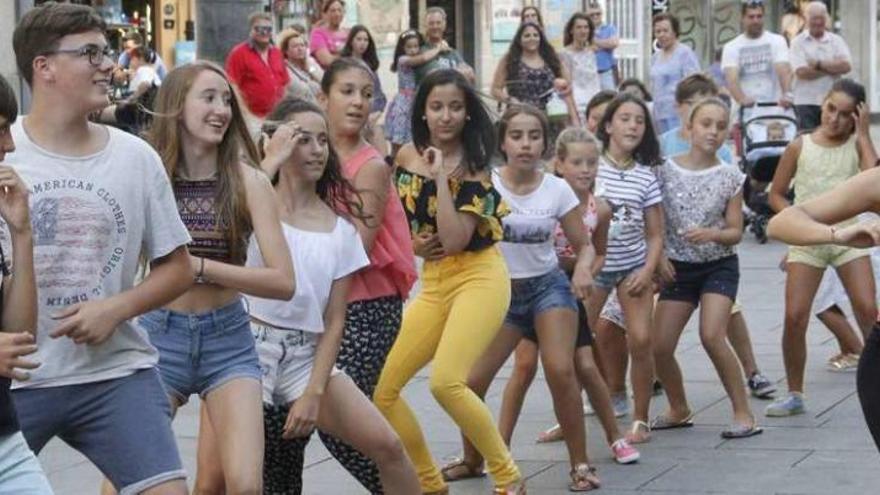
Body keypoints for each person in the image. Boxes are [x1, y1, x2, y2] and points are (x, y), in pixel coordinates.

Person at [9, 3, 194, 493]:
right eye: (90, 53)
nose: (108, 65)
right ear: (43, 67)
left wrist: (117, 307)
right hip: (17, 383)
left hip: (114, 374)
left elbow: (177, 268)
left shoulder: (135, 157)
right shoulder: (6, 150)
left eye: (106, 51)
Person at [249, 58, 419, 494]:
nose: (317, 149)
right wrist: (269, 161)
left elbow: (335, 318)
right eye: (302, 140)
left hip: (308, 354)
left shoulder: (340, 229)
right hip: (248, 355)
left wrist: (315, 391)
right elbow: (235, 215)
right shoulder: (251, 206)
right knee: (266, 478)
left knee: (389, 447)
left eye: (322, 141)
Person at [126, 61, 295, 495]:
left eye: (226, 100)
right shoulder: (149, 175)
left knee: (244, 485)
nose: (221, 109)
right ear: (178, 106)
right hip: (159, 336)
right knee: (127, 479)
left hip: (229, 339)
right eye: (209, 97)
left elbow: (282, 280)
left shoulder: (247, 181)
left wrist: (197, 267)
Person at [374, 69, 524, 495]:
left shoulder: (475, 169)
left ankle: (508, 478)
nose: (445, 116)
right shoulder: (404, 155)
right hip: (435, 283)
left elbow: (457, 240)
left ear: (467, 112)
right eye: (437, 107)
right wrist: (414, 247)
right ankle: (428, 484)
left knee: (446, 382)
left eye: (455, 107)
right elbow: (394, 218)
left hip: (480, 277)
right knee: (381, 388)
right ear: (422, 110)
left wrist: (441, 176)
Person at [447, 106, 601, 492]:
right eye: (517, 135)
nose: (526, 144)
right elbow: (463, 237)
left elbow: (585, 246)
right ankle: (472, 459)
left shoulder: (557, 188)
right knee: (471, 381)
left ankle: (580, 464)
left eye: (534, 136)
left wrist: (583, 269)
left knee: (559, 369)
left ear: (544, 143)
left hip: (549, 287)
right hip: (500, 293)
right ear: (503, 141)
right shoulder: (488, 184)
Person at [657, 73, 777, 400]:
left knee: (712, 334)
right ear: (689, 125)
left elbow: (736, 231)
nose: (712, 131)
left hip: (717, 265)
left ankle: (743, 406)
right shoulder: (664, 165)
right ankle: (678, 407)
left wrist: (713, 233)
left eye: (720, 126)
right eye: (705, 123)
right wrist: (658, 256)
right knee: (659, 345)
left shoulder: (729, 175)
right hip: (677, 266)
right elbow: (652, 220)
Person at [765, 79, 877, 417]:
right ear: (822, 104)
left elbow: (874, 177)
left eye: (845, 115)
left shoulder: (856, 145)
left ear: (856, 117)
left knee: (868, 308)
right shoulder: (801, 145)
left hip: (852, 235)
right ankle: (795, 392)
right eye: (831, 109)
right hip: (812, 236)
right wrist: (800, 224)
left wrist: (865, 134)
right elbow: (775, 193)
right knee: (795, 315)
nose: (835, 119)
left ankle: (875, 374)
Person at [590, 93, 664, 444]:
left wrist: (648, 270)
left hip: (633, 267)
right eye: (624, 118)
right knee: (576, 340)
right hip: (594, 268)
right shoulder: (591, 168)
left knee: (642, 338)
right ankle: (575, 410)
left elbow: (655, 233)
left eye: (639, 120)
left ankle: (641, 418)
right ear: (607, 126)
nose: (633, 125)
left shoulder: (646, 177)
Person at [0, 73, 53, 495]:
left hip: (6, 442)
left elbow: (19, 337)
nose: (10, 145)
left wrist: (22, 234)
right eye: (0, 129)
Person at [491, 22, 578, 127]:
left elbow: (567, 86)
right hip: (521, 116)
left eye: (535, 35)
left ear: (541, 38)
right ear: (519, 39)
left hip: (551, 117)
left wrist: (573, 119)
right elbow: (495, 89)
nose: (532, 38)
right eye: (527, 36)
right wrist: (510, 100)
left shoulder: (551, 57)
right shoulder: (509, 59)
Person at [790, 1, 853, 131]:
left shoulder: (836, 41)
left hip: (832, 102)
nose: (818, 22)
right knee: (808, 143)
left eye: (821, 18)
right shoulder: (798, 42)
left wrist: (818, 64)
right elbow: (802, 72)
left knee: (832, 142)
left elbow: (846, 66)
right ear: (807, 19)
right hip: (805, 102)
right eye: (814, 18)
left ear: (826, 19)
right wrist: (832, 68)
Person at [721, 1, 793, 116]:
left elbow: (784, 70)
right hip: (745, 113)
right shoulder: (731, 47)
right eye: (751, 17)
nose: (756, 21)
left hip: (775, 111)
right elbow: (732, 78)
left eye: (759, 16)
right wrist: (741, 98)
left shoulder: (777, 41)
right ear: (742, 18)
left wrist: (787, 95)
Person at [225, 12, 290, 118]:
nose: (264, 32)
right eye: (259, 28)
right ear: (251, 30)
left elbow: (285, 83)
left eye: (268, 29)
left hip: (277, 115)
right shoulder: (239, 54)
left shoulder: (277, 53)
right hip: (252, 116)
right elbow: (233, 86)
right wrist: (244, 114)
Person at [649, 13, 701, 135]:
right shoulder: (655, 57)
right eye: (658, 31)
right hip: (659, 114)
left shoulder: (685, 54)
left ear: (675, 32)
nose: (661, 35)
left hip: (679, 114)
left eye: (665, 31)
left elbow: (695, 84)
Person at [340, 26, 387, 137]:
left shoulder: (370, 65)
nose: (362, 43)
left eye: (366, 40)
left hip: (371, 117)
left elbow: (378, 94)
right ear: (351, 41)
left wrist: (376, 114)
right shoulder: (343, 64)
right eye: (359, 39)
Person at [386, 30, 425, 156]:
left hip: (415, 102)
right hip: (403, 104)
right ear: (403, 48)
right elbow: (422, 58)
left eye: (416, 46)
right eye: (409, 47)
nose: (413, 50)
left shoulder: (418, 63)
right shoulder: (403, 60)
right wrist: (438, 49)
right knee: (398, 140)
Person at [415, 7, 475, 85]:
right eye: (431, 23)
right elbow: (436, 77)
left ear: (444, 24)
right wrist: (459, 72)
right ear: (425, 26)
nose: (435, 26)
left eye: (438, 23)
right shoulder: (420, 51)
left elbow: (471, 76)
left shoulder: (452, 52)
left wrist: (454, 73)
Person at [560, 13, 601, 120]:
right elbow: (567, 84)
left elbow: (595, 79)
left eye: (586, 27)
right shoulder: (565, 54)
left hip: (595, 102)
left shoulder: (591, 52)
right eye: (579, 27)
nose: (583, 31)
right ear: (571, 30)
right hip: (577, 106)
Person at [278, 28, 323, 104]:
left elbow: (324, 81)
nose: (300, 49)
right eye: (295, 46)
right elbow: (302, 91)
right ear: (286, 51)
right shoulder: (285, 69)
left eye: (302, 45)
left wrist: (310, 69)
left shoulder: (311, 62)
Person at [587, 2, 620, 91]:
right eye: (592, 15)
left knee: (610, 100)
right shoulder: (585, 29)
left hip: (606, 72)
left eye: (598, 14)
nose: (595, 16)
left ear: (602, 14)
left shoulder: (610, 28)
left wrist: (594, 40)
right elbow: (584, 49)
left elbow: (614, 43)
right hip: (589, 74)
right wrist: (605, 44)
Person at [310, 0, 350, 69]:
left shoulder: (349, 33)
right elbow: (327, 61)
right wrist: (349, 55)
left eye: (340, 10)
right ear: (325, 14)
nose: (337, 14)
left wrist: (335, 55)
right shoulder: (318, 34)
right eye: (333, 11)